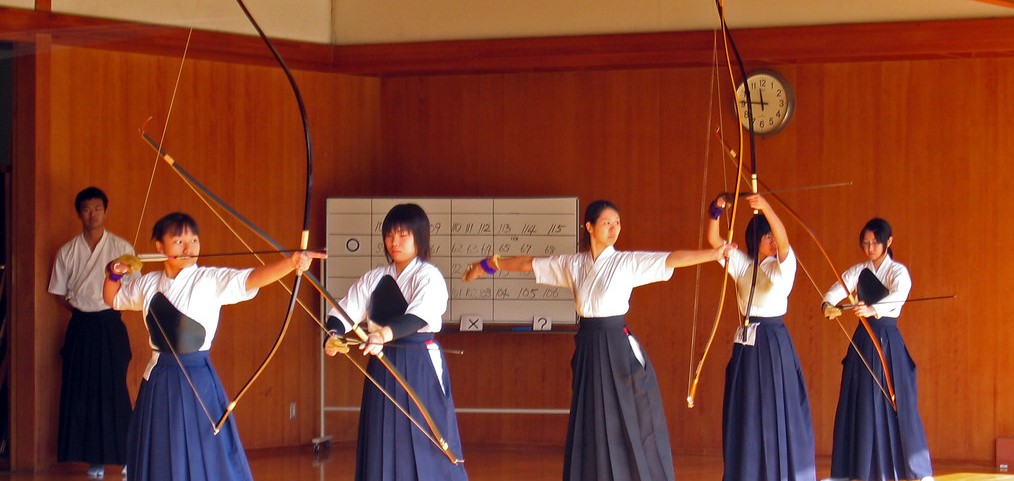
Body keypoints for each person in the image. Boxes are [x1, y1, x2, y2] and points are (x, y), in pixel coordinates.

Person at [461, 199, 733, 481]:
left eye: (617, 223)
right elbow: (531, 263)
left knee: (627, 413)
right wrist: (488, 265)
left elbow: (670, 258)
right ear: (589, 227)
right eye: (607, 222)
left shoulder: (626, 262)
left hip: (616, 346)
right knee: (591, 414)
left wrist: (713, 255)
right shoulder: (574, 264)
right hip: (589, 344)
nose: (614, 228)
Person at [103, 212, 325, 481]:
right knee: (160, 448)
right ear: (159, 247)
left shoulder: (208, 280)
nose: (189, 248)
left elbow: (251, 278)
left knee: (205, 451)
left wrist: (290, 264)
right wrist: (113, 274)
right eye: (179, 241)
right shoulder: (149, 283)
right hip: (159, 379)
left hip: (197, 379)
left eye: (194, 240)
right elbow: (113, 298)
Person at [322, 203, 468, 481]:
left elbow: (418, 316)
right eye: (390, 235)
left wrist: (382, 335)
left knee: (427, 435)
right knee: (381, 434)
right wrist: (334, 336)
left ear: (419, 238)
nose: (395, 242)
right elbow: (341, 312)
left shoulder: (428, 276)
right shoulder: (375, 278)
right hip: (382, 362)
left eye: (403, 235)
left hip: (418, 363)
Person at [705, 193, 816, 481]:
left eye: (771, 236)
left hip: (772, 341)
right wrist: (715, 210)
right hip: (746, 342)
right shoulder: (743, 265)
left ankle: (780, 470)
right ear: (755, 239)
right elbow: (714, 241)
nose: (771, 240)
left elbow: (785, 242)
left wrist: (765, 206)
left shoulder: (783, 267)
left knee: (774, 403)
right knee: (747, 406)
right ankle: (748, 469)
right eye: (765, 236)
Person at [821, 218, 933, 481]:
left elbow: (899, 295)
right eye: (866, 243)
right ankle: (849, 470)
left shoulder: (898, 272)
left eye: (875, 243)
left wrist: (872, 308)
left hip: (887, 340)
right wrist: (828, 304)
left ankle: (917, 470)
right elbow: (837, 289)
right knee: (857, 400)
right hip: (863, 340)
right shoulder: (860, 270)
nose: (870, 248)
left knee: (898, 401)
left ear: (888, 242)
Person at [48, 187, 135, 479]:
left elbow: (133, 289)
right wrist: (81, 311)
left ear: (105, 211)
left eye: (97, 208)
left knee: (114, 391)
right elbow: (60, 293)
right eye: (86, 209)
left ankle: (125, 457)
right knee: (81, 393)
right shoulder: (67, 251)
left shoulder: (122, 249)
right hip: (81, 326)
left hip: (110, 325)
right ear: (79, 214)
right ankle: (92, 460)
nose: (92, 214)